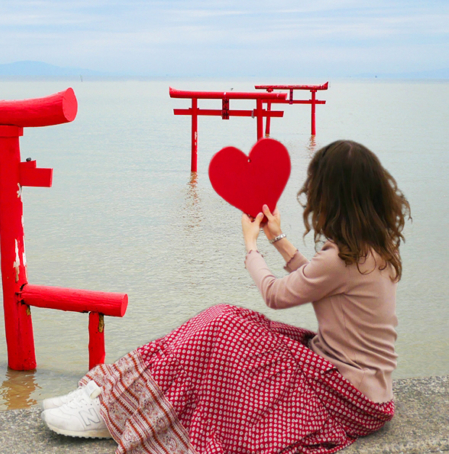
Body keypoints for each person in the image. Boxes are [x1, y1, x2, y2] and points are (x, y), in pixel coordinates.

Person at [41, 140, 410, 454]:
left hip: (345, 395)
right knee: (229, 323)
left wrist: (250, 246)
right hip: (364, 391)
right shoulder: (371, 249)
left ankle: (117, 407)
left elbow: (276, 294)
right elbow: (314, 278)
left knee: (224, 324)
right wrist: (277, 239)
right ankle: (115, 395)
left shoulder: (341, 259)